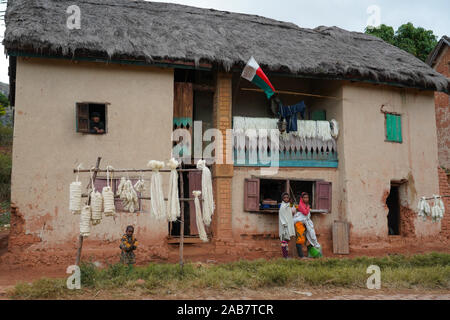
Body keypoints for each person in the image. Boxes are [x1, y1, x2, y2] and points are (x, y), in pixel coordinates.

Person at [293, 192, 321, 257]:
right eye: (304, 197)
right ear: (302, 198)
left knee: (310, 237)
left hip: (305, 223)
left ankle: (311, 253)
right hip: (299, 223)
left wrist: (308, 207)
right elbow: (305, 213)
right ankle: (301, 256)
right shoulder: (301, 205)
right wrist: (308, 207)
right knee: (300, 239)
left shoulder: (306, 205)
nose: (306, 199)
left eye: (307, 197)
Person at [278, 192, 296, 258]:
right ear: (282, 199)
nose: (286, 199)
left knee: (286, 241)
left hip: (289, 225)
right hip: (284, 226)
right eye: (284, 198)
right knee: (284, 241)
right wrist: (285, 225)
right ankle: (285, 256)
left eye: (287, 197)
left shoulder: (288, 206)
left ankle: (286, 255)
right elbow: (282, 217)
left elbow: (291, 215)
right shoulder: (282, 207)